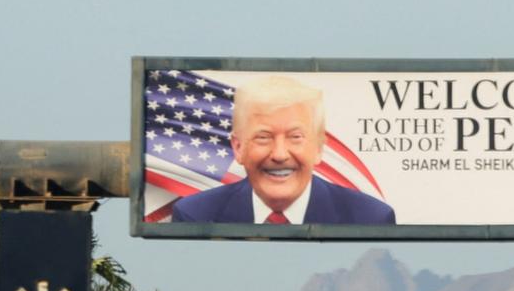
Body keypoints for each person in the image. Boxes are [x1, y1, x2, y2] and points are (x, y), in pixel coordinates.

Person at [169, 75, 396, 224]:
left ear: (318, 148)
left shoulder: (370, 217)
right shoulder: (195, 215)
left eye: (295, 137)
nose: (279, 154)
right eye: (263, 137)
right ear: (238, 148)